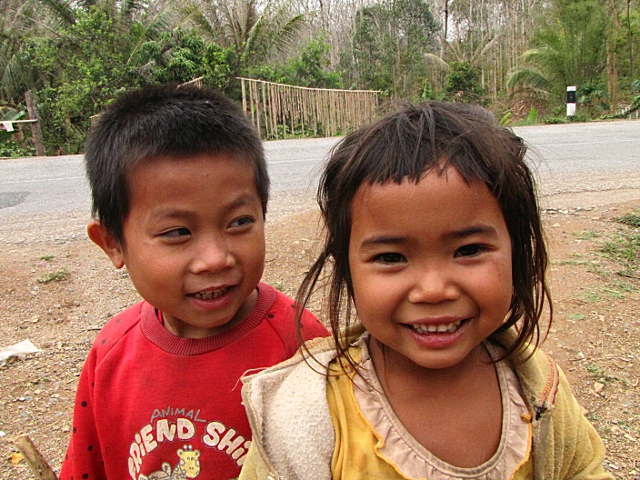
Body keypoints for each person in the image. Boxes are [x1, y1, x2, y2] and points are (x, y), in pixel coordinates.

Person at [239, 102, 613, 480]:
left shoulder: (540, 390)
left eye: (469, 251)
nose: (433, 290)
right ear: (347, 267)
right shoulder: (305, 415)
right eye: (390, 257)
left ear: (517, 250)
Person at [59, 83, 328, 480]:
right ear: (113, 243)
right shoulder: (111, 353)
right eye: (177, 232)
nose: (216, 258)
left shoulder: (302, 343)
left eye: (239, 222)